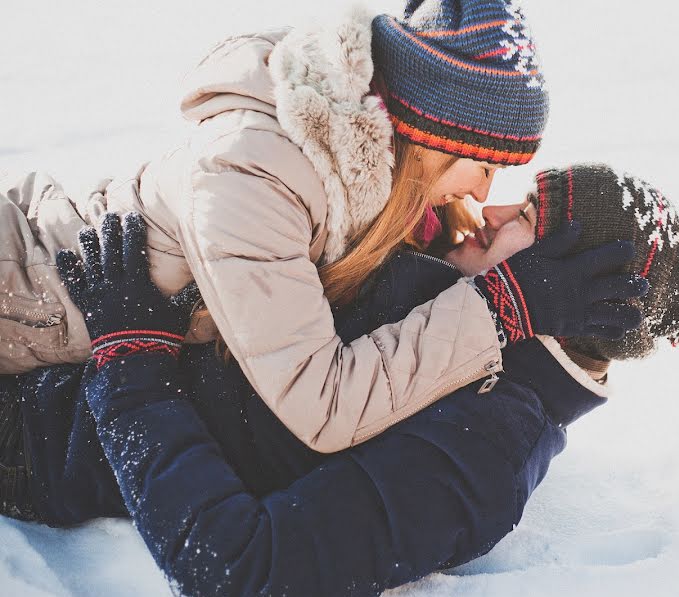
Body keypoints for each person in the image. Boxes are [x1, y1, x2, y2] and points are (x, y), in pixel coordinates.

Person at [1, 163, 679, 597]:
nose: (486, 208)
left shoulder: (482, 452)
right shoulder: (459, 313)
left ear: (569, 285)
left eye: (521, 217)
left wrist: (131, 360)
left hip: (29, 443)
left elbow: (239, 567)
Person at [0, 0, 645, 454]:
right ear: (427, 141)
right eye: (482, 165)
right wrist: (498, 309)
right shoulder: (259, 173)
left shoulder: (360, 174)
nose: (484, 193)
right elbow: (324, 403)